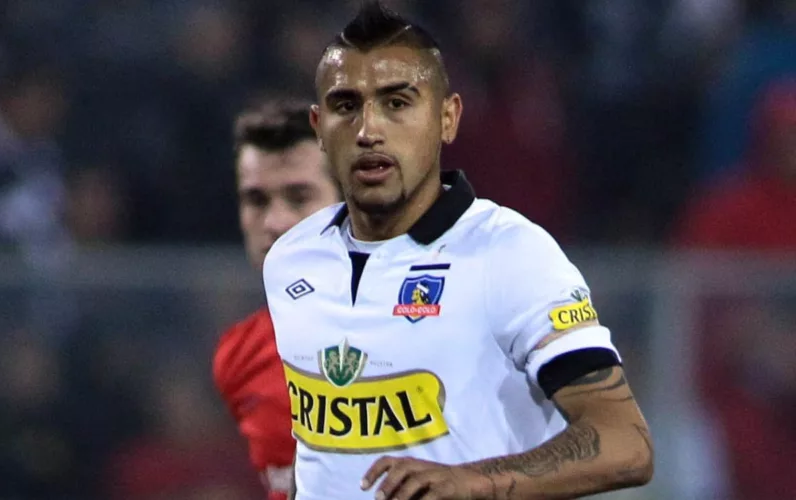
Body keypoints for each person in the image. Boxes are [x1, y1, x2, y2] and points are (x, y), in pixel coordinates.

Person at [262, 2, 654, 499]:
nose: (368, 131)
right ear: (318, 128)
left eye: (397, 103)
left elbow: (627, 443)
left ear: (448, 118)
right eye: (346, 106)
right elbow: (320, 454)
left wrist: (474, 482)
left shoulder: (510, 254)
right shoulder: (291, 260)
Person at [212, 98, 340, 500]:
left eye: (299, 197)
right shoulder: (238, 358)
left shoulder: (426, 325)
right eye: (256, 200)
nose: (274, 222)